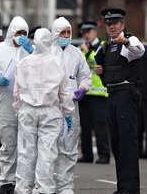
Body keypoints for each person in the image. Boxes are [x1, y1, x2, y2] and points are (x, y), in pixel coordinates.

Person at [13, 28, 75, 194]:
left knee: (26, 152)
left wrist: (19, 108)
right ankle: (44, 189)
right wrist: (68, 112)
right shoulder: (56, 61)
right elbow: (65, 91)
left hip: (27, 110)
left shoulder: (23, 62)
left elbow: (16, 91)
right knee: (47, 153)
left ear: (35, 41)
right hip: (50, 111)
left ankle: (23, 189)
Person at [94, 7, 145, 194]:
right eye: (108, 24)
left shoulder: (130, 40)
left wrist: (127, 43)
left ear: (122, 24)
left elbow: (139, 51)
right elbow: (108, 74)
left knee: (127, 144)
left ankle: (130, 189)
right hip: (113, 95)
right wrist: (100, 72)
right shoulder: (106, 46)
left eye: (115, 23)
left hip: (126, 95)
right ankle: (122, 187)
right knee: (116, 144)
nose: (112, 27)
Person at [0, 16, 34, 194]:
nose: (20, 36)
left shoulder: (30, 51)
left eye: (24, 33)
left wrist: (31, 52)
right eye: (18, 32)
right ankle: (7, 181)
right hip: (5, 101)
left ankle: (25, 181)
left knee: (27, 144)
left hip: (28, 103)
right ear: (11, 32)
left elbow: (43, 69)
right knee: (8, 144)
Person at [51, 17, 91, 194]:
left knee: (69, 146)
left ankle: (66, 185)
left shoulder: (76, 53)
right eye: (62, 32)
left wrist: (82, 89)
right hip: (50, 107)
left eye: (68, 32)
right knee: (49, 146)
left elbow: (85, 75)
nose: (66, 35)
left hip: (71, 107)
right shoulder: (47, 52)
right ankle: (46, 184)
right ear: (55, 34)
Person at [77, 21, 111, 164]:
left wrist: (88, 52)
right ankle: (87, 154)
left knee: (100, 126)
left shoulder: (102, 46)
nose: (86, 34)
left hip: (99, 94)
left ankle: (104, 154)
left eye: (89, 31)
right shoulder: (81, 48)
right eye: (84, 32)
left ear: (95, 31)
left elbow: (97, 64)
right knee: (85, 126)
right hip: (85, 94)